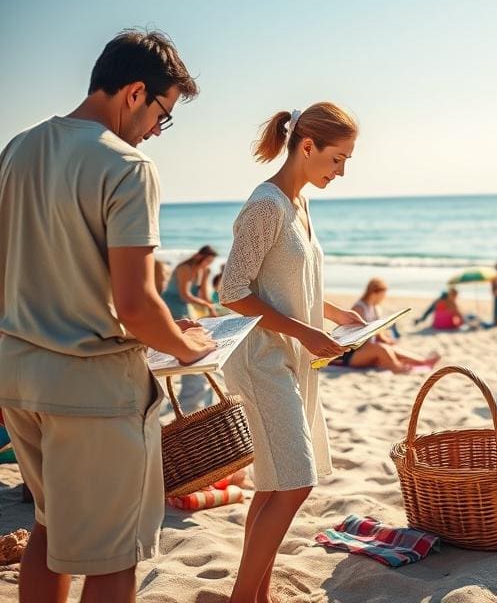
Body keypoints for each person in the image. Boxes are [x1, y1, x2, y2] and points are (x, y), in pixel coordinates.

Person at [0, 30, 214, 602]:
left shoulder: (18, 149)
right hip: (91, 388)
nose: (156, 131)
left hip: (18, 378)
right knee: (115, 557)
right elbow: (136, 305)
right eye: (162, 115)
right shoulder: (127, 165)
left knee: (49, 529)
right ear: (135, 93)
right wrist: (188, 346)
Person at [218, 102, 366, 603]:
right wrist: (305, 332)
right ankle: (243, 599)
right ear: (307, 146)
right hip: (261, 360)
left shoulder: (300, 203)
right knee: (296, 482)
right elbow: (233, 291)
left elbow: (288, 283)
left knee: (273, 483)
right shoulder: (267, 205)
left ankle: (256, 595)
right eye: (337, 158)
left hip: (289, 357)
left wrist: (337, 314)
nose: (341, 171)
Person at [331, 278, 439, 372]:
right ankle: (398, 368)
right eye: (383, 294)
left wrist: (386, 339)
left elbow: (377, 332)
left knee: (390, 348)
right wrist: (378, 343)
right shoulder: (359, 308)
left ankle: (423, 361)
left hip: (367, 349)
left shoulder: (376, 308)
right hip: (351, 354)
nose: (384, 297)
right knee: (382, 349)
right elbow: (353, 338)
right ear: (375, 293)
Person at [161, 245, 219, 412]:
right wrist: (207, 305)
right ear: (200, 256)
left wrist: (213, 308)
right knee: (181, 343)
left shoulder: (205, 271)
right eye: (207, 260)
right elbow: (185, 295)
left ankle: (192, 391)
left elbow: (204, 296)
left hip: (186, 307)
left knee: (195, 336)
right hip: (171, 305)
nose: (208, 264)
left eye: (211, 262)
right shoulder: (185, 268)